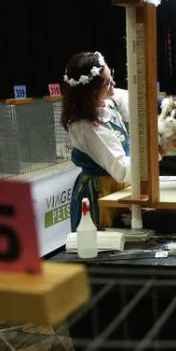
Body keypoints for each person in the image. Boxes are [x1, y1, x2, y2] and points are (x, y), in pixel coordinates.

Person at [62, 51, 132, 230]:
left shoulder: (107, 101)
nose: (113, 85)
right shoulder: (85, 126)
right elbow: (122, 170)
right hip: (100, 193)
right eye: (107, 83)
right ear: (90, 91)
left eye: (111, 77)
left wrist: (162, 104)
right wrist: (158, 151)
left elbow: (130, 98)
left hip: (118, 188)